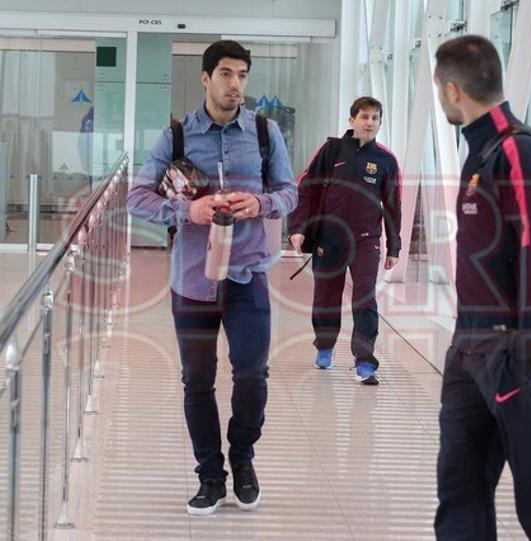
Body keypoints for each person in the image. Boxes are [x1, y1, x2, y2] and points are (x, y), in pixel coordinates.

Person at [126, 40, 297, 516]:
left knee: (252, 374)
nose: (235, 84)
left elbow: (290, 192)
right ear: (205, 77)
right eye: (225, 74)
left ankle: (242, 459)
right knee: (197, 380)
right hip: (193, 282)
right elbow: (136, 196)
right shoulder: (177, 136)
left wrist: (261, 204)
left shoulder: (265, 133)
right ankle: (210, 474)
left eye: (242, 75)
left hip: (248, 276)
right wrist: (189, 209)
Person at [432, 35, 531, 540]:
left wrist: (525, 353)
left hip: (516, 350)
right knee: (459, 487)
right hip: (471, 347)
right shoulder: (481, 152)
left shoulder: (518, 149)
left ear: (453, 90)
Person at [288, 96, 401, 385]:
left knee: (365, 297)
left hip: (366, 241)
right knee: (326, 297)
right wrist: (298, 227)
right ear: (351, 120)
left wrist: (394, 246)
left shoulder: (386, 160)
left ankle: (365, 362)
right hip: (329, 237)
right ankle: (324, 346)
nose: (370, 123)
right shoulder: (331, 151)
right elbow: (306, 190)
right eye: (364, 117)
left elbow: (393, 206)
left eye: (375, 118)